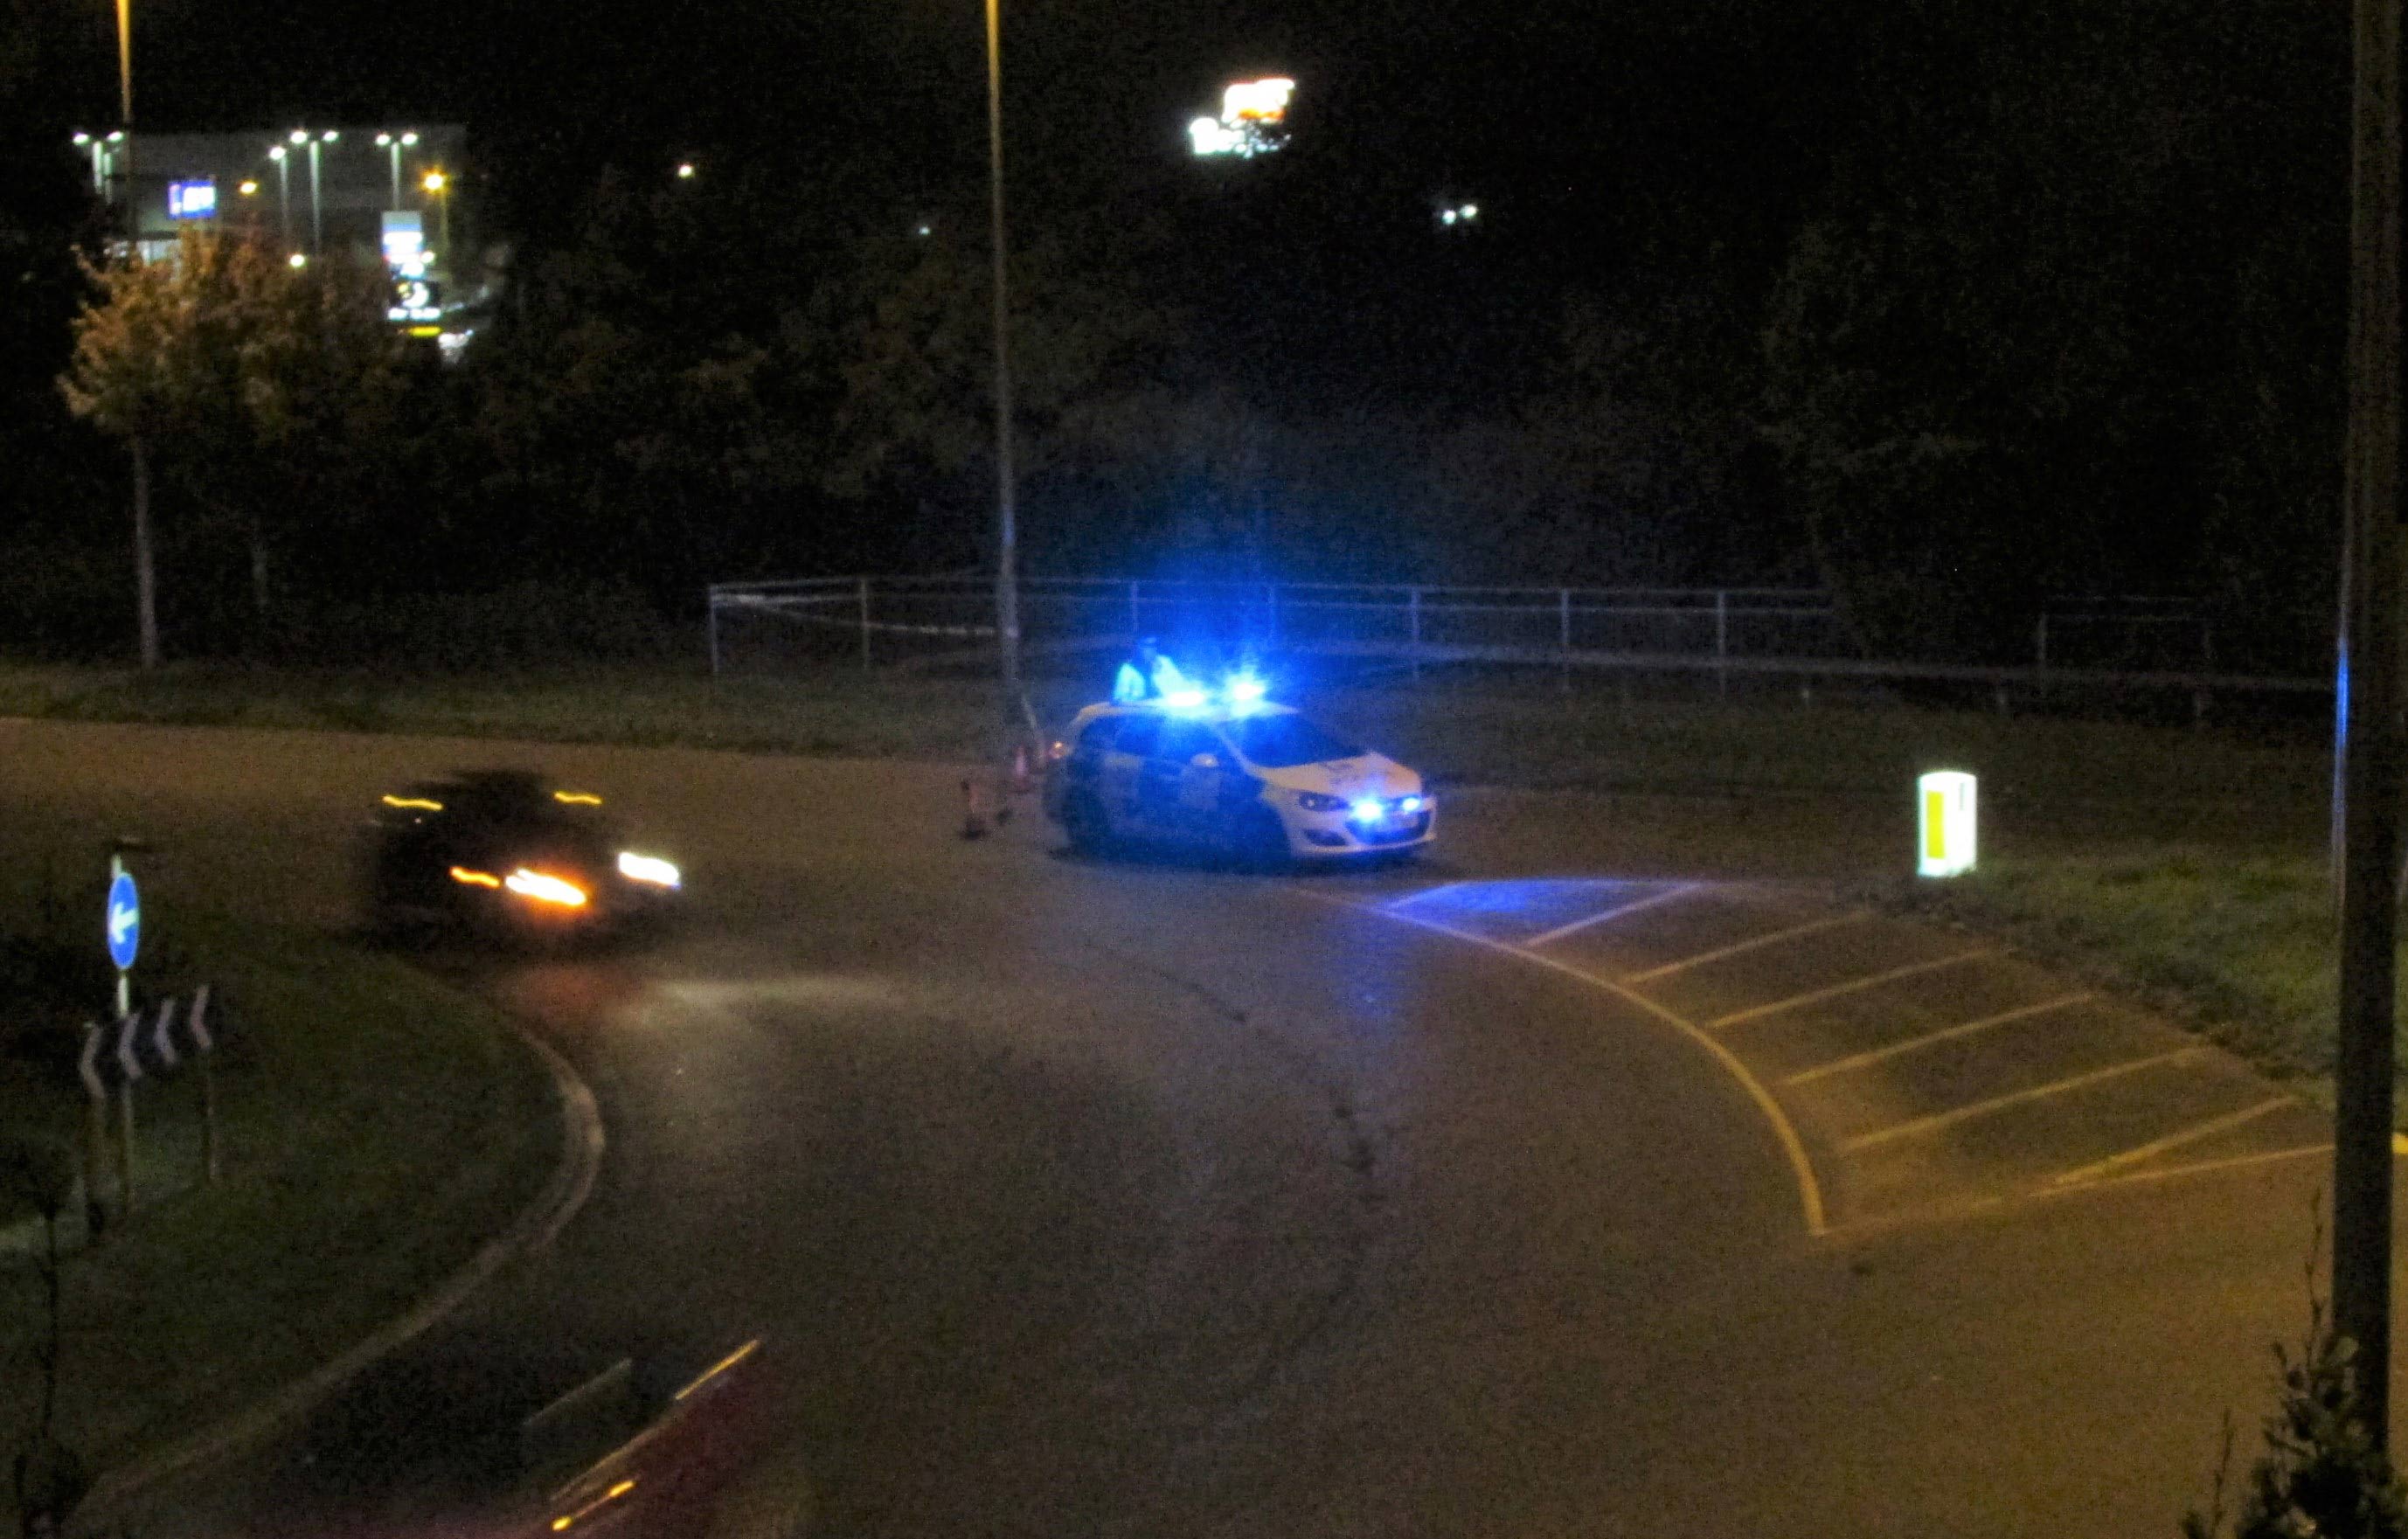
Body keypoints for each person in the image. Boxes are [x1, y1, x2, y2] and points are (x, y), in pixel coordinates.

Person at [1113, 636, 1192, 703]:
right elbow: (1119, 699)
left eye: (1154, 645)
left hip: (1166, 712)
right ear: (1138, 647)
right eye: (1147, 646)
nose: (1152, 649)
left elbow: (1181, 686)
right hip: (1138, 714)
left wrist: (1160, 675)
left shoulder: (1165, 662)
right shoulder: (1128, 669)